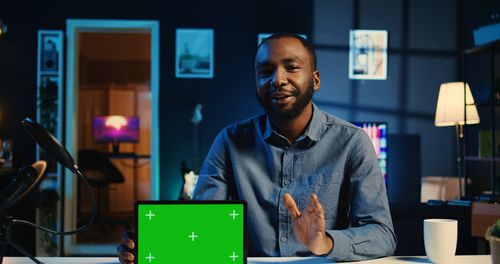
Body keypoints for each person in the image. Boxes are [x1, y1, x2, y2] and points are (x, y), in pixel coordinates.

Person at [117, 33, 396, 263]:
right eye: (265, 71)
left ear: (315, 79)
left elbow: (382, 234)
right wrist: (153, 245)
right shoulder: (229, 141)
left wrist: (324, 242)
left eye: (292, 67)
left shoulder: (353, 142)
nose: (277, 79)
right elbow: (202, 226)